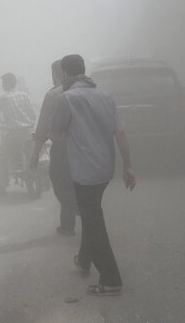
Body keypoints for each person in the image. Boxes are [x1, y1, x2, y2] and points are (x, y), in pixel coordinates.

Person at [51, 54, 136, 296]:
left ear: (65, 74)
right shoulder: (105, 96)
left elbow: (56, 134)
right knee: (92, 214)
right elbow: (120, 133)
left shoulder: (67, 99)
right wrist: (128, 166)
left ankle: (110, 279)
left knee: (93, 222)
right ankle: (84, 260)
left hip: (84, 172)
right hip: (104, 171)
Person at [31, 60, 78, 235]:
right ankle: (67, 224)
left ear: (58, 74)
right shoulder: (90, 90)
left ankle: (83, 212)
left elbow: (43, 128)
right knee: (75, 183)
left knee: (60, 183)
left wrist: (35, 154)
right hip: (87, 147)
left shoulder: (53, 95)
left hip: (63, 147)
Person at [0, 73, 37, 195]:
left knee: (1, 159)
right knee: (34, 154)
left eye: (3, 83)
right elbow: (33, 114)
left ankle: (2, 188)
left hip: (14, 134)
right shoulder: (25, 95)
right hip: (29, 132)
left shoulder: (4, 98)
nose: (2, 85)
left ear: (7, 84)